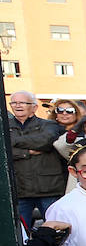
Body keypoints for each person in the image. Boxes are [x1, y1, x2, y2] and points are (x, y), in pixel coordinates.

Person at [10, 90, 67, 223]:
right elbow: (4, 150)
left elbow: (45, 141)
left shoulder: (49, 125)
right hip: (20, 190)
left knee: (55, 228)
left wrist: (13, 141)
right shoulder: (5, 127)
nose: (18, 106)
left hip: (48, 188)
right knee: (22, 233)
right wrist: (27, 152)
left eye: (22, 103)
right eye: (14, 103)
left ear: (34, 107)